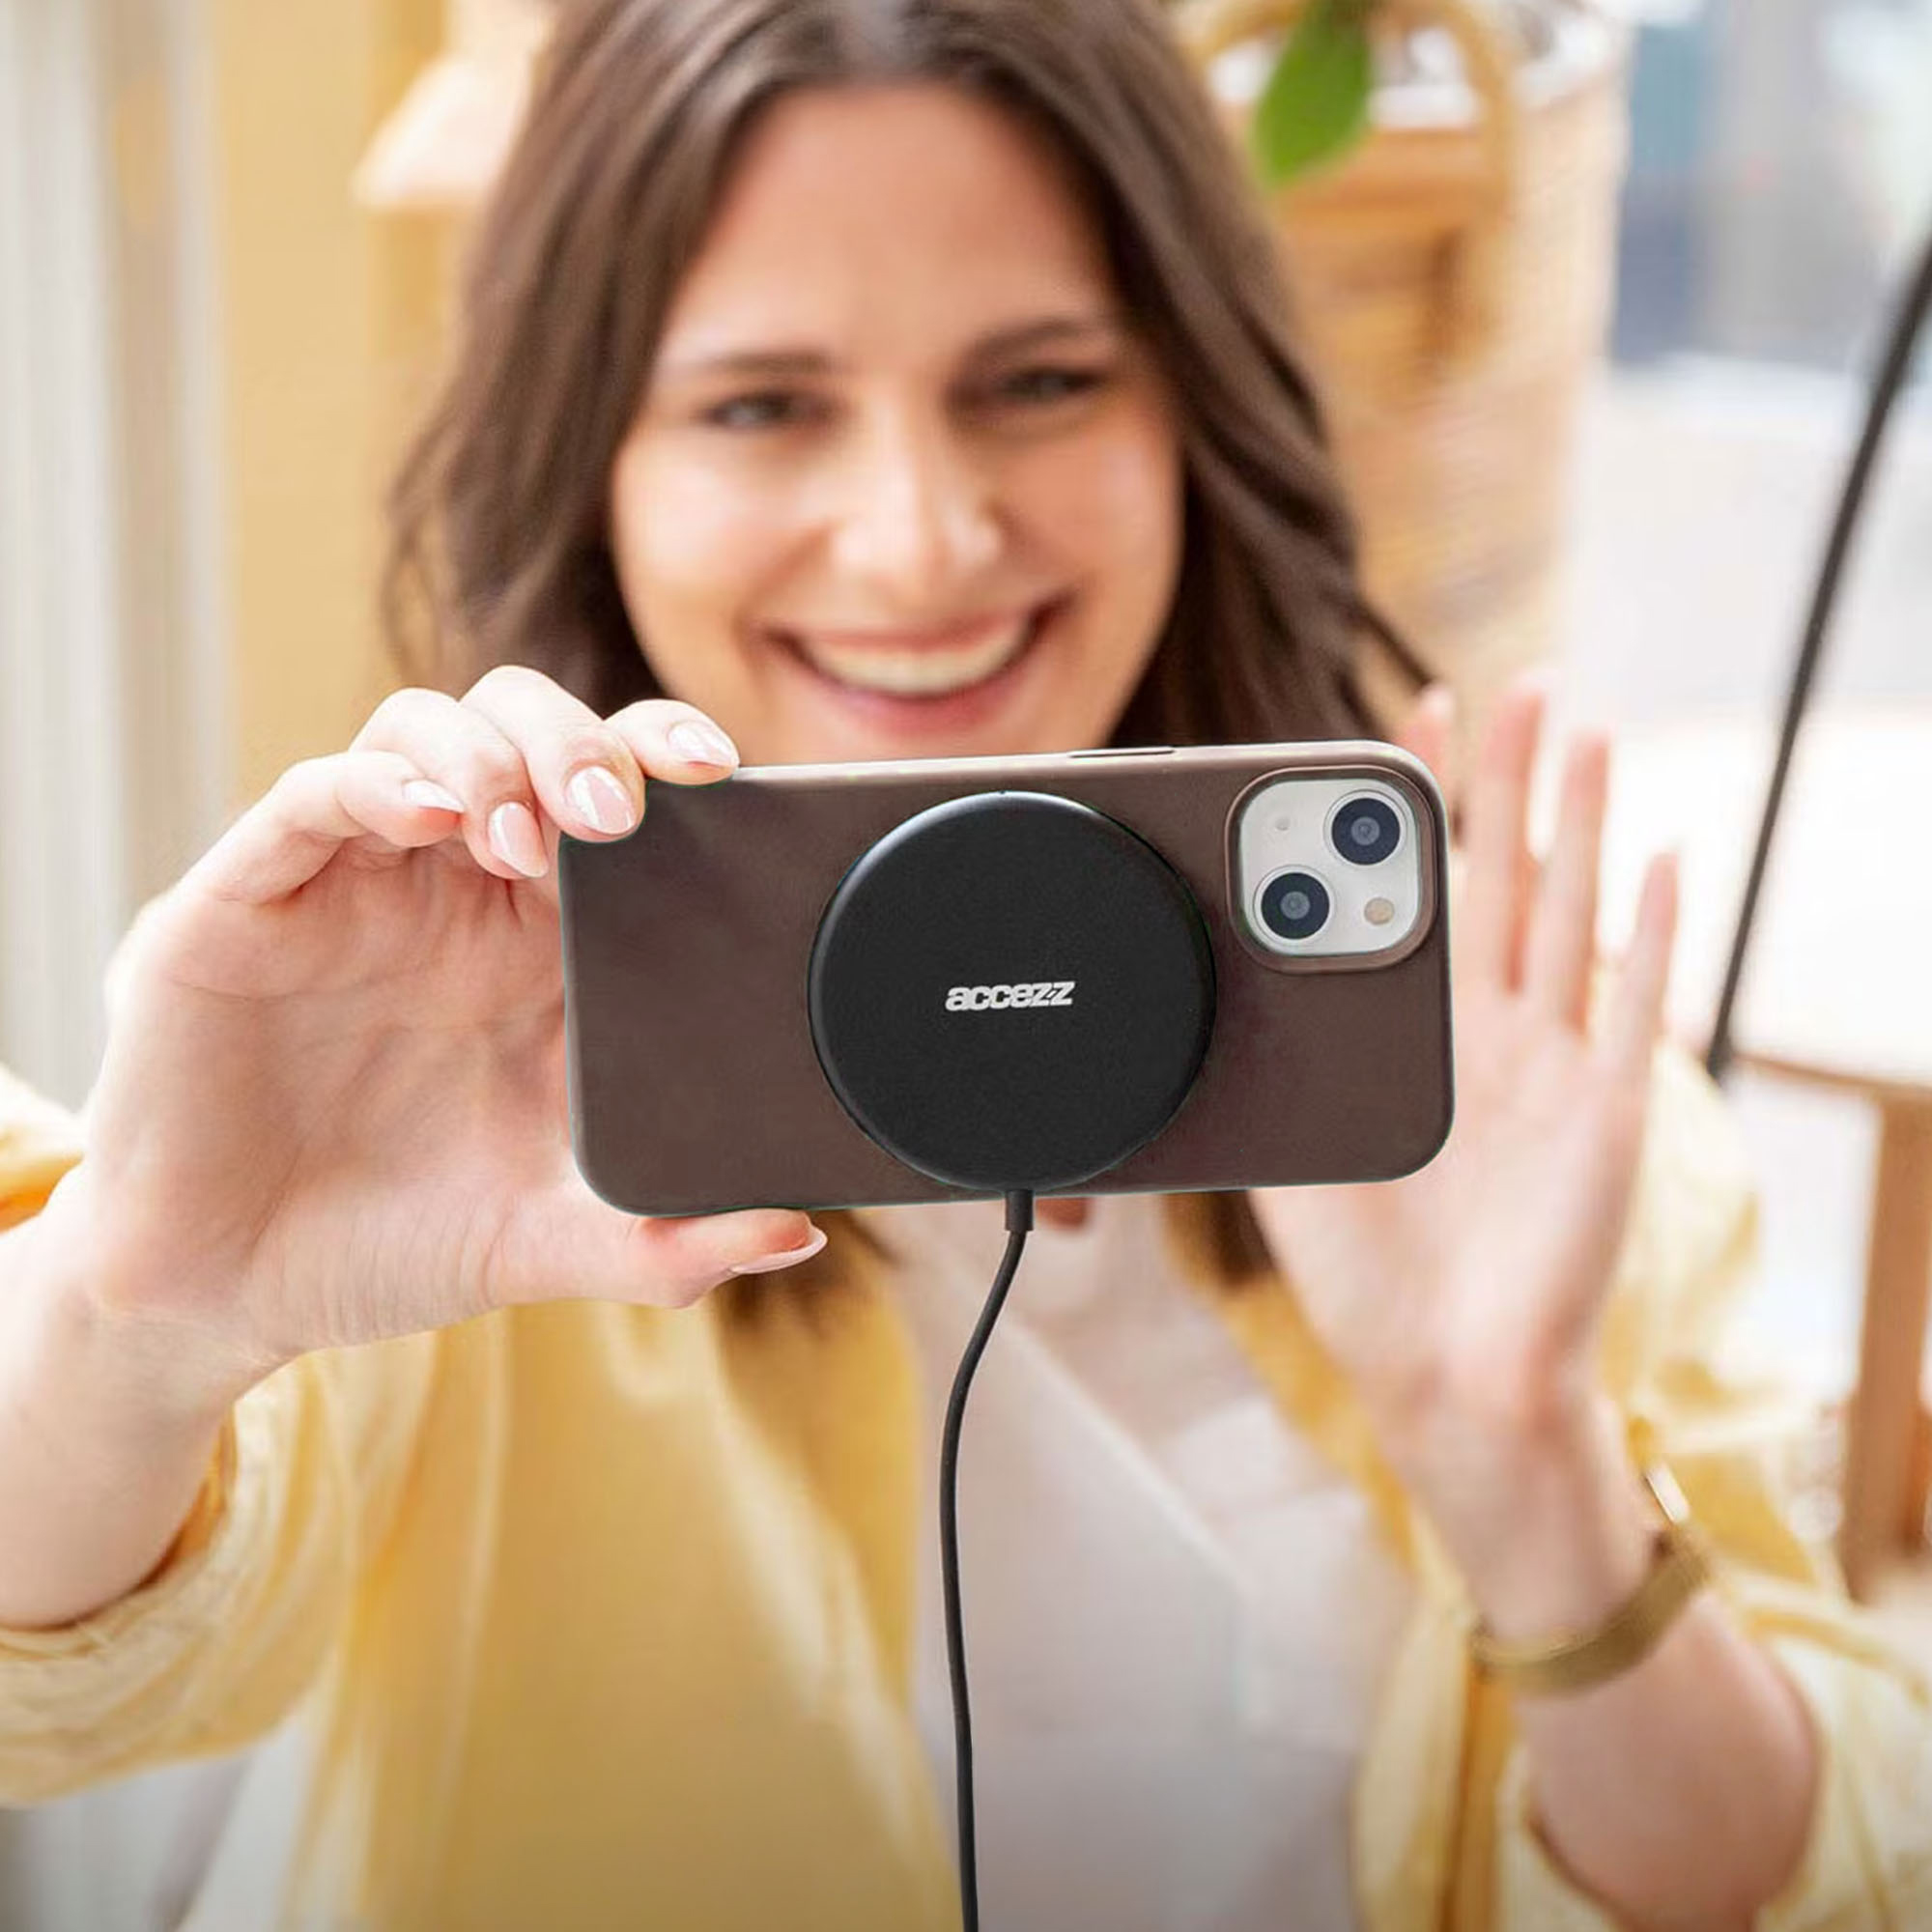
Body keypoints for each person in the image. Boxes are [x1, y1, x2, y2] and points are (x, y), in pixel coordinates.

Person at [1, 1, 1928, 1925]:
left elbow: (1823, 1888)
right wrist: (142, 1306)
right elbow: (49, 1683)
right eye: (763, 406)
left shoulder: (1489, 1088)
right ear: (596, 469)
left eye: (1040, 382)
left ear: (1194, 415)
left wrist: (1519, 1457)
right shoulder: (451, 1087)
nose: (922, 542)